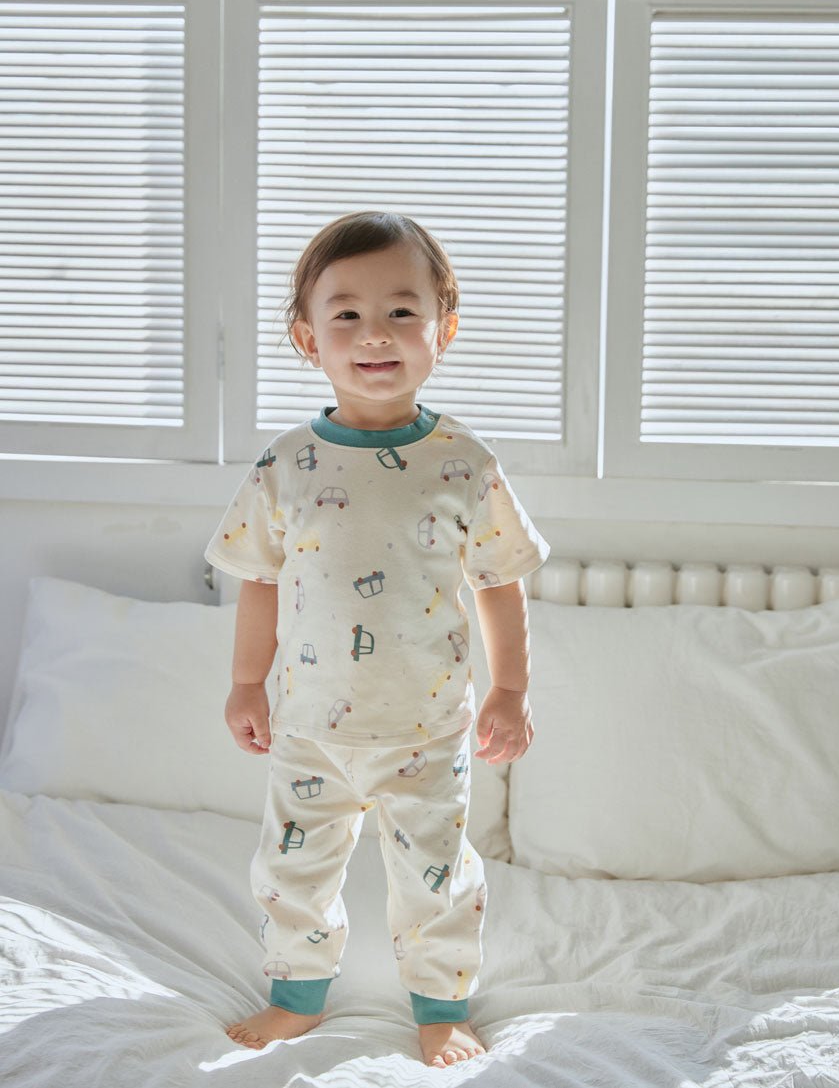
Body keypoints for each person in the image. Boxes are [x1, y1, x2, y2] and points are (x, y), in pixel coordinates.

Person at [204, 210, 550, 1068]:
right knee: (292, 872)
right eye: (346, 314)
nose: (375, 335)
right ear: (307, 336)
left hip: (427, 732)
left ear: (445, 328)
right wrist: (248, 682)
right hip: (311, 726)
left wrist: (510, 690)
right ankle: (297, 998)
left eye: (402, 311)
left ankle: (441, 1006)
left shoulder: (464, 462)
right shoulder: (285, 464)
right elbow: (258, 580)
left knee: (436, 877)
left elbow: (499, 582)